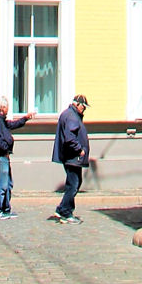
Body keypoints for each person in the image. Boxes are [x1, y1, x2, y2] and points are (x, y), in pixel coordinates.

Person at [0, 94, 28, 216]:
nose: (8, 110)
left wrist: (25, 119)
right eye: (7, 107)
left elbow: (11, 125)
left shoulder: (0, 119)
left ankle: (5, 209)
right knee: (2, 184)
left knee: (7, 184)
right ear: (2, 107)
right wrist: (5, 150)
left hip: (3, 156)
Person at [50, 93, 89, 222]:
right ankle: (66, 213)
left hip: (69, 156)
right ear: (77, 104)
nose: (84, 110)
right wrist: (80, 149)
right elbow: (70, 137)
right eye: (83, 107)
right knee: (74, 184)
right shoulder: (72, 116)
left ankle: (61, 209)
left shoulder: (67, 114)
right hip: (73, 157)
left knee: (73, 183)